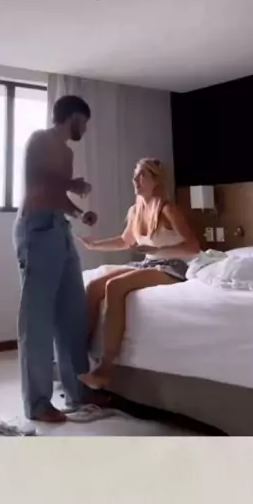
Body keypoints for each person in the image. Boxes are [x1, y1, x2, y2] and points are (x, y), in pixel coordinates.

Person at [77, 157, 200, 390]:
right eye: (135, 175)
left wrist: (154, 250)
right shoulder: (136, 210)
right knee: (93, 287)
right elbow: (125, 241)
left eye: (142, 175)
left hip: (173, 266)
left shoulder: (168, 209)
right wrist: (94, 245)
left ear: (156, 180)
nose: (135, 180)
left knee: (114, 287)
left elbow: (193, 247)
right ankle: (77, 354)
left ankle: (105, 368)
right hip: (149, 263)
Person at [14, 94, 98, 423]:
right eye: (84, 122)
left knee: (72, 313)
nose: (85, 129)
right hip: (36, 229)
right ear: (73, 116)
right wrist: (72, 184)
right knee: (37, 320)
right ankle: (37, 403)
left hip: (59, 228)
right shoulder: (40, 140)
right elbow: (38, 181)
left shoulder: (67, 152)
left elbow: (58, 195)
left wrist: (79, 213)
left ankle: (78, 391)